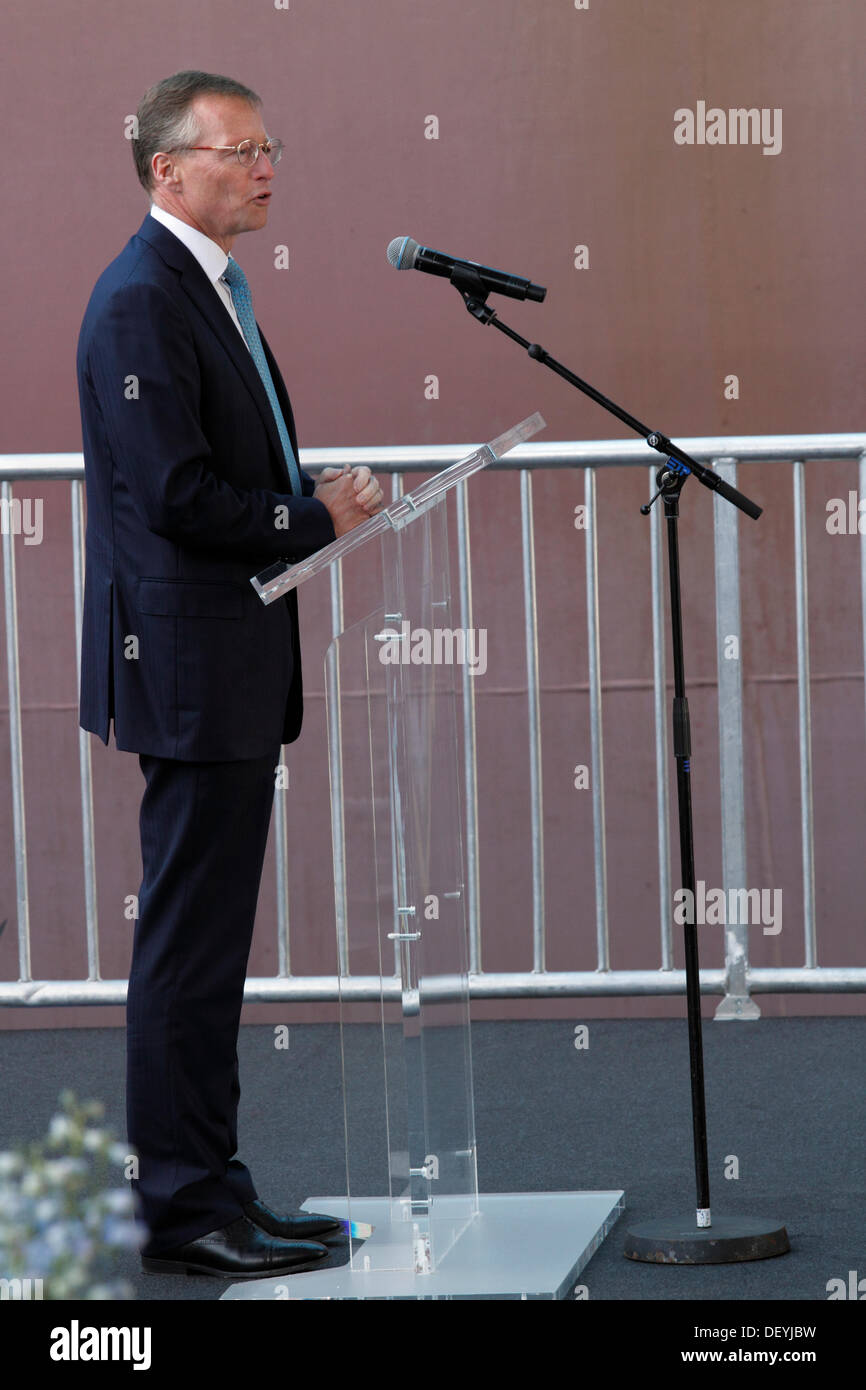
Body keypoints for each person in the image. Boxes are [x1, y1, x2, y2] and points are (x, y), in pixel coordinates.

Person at [76, 70, 383, 1279]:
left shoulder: (202, 287)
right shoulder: (142, 300)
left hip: (222, 660)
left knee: (205, 949)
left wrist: (305, 512)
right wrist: (311, 518)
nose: (265, 166)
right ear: (169, 169)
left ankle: (216, 1187)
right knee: (189, 951)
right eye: (239, 148)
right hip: (189, 664)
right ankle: (180, 1207)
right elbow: (175, 494)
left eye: (268, 146)